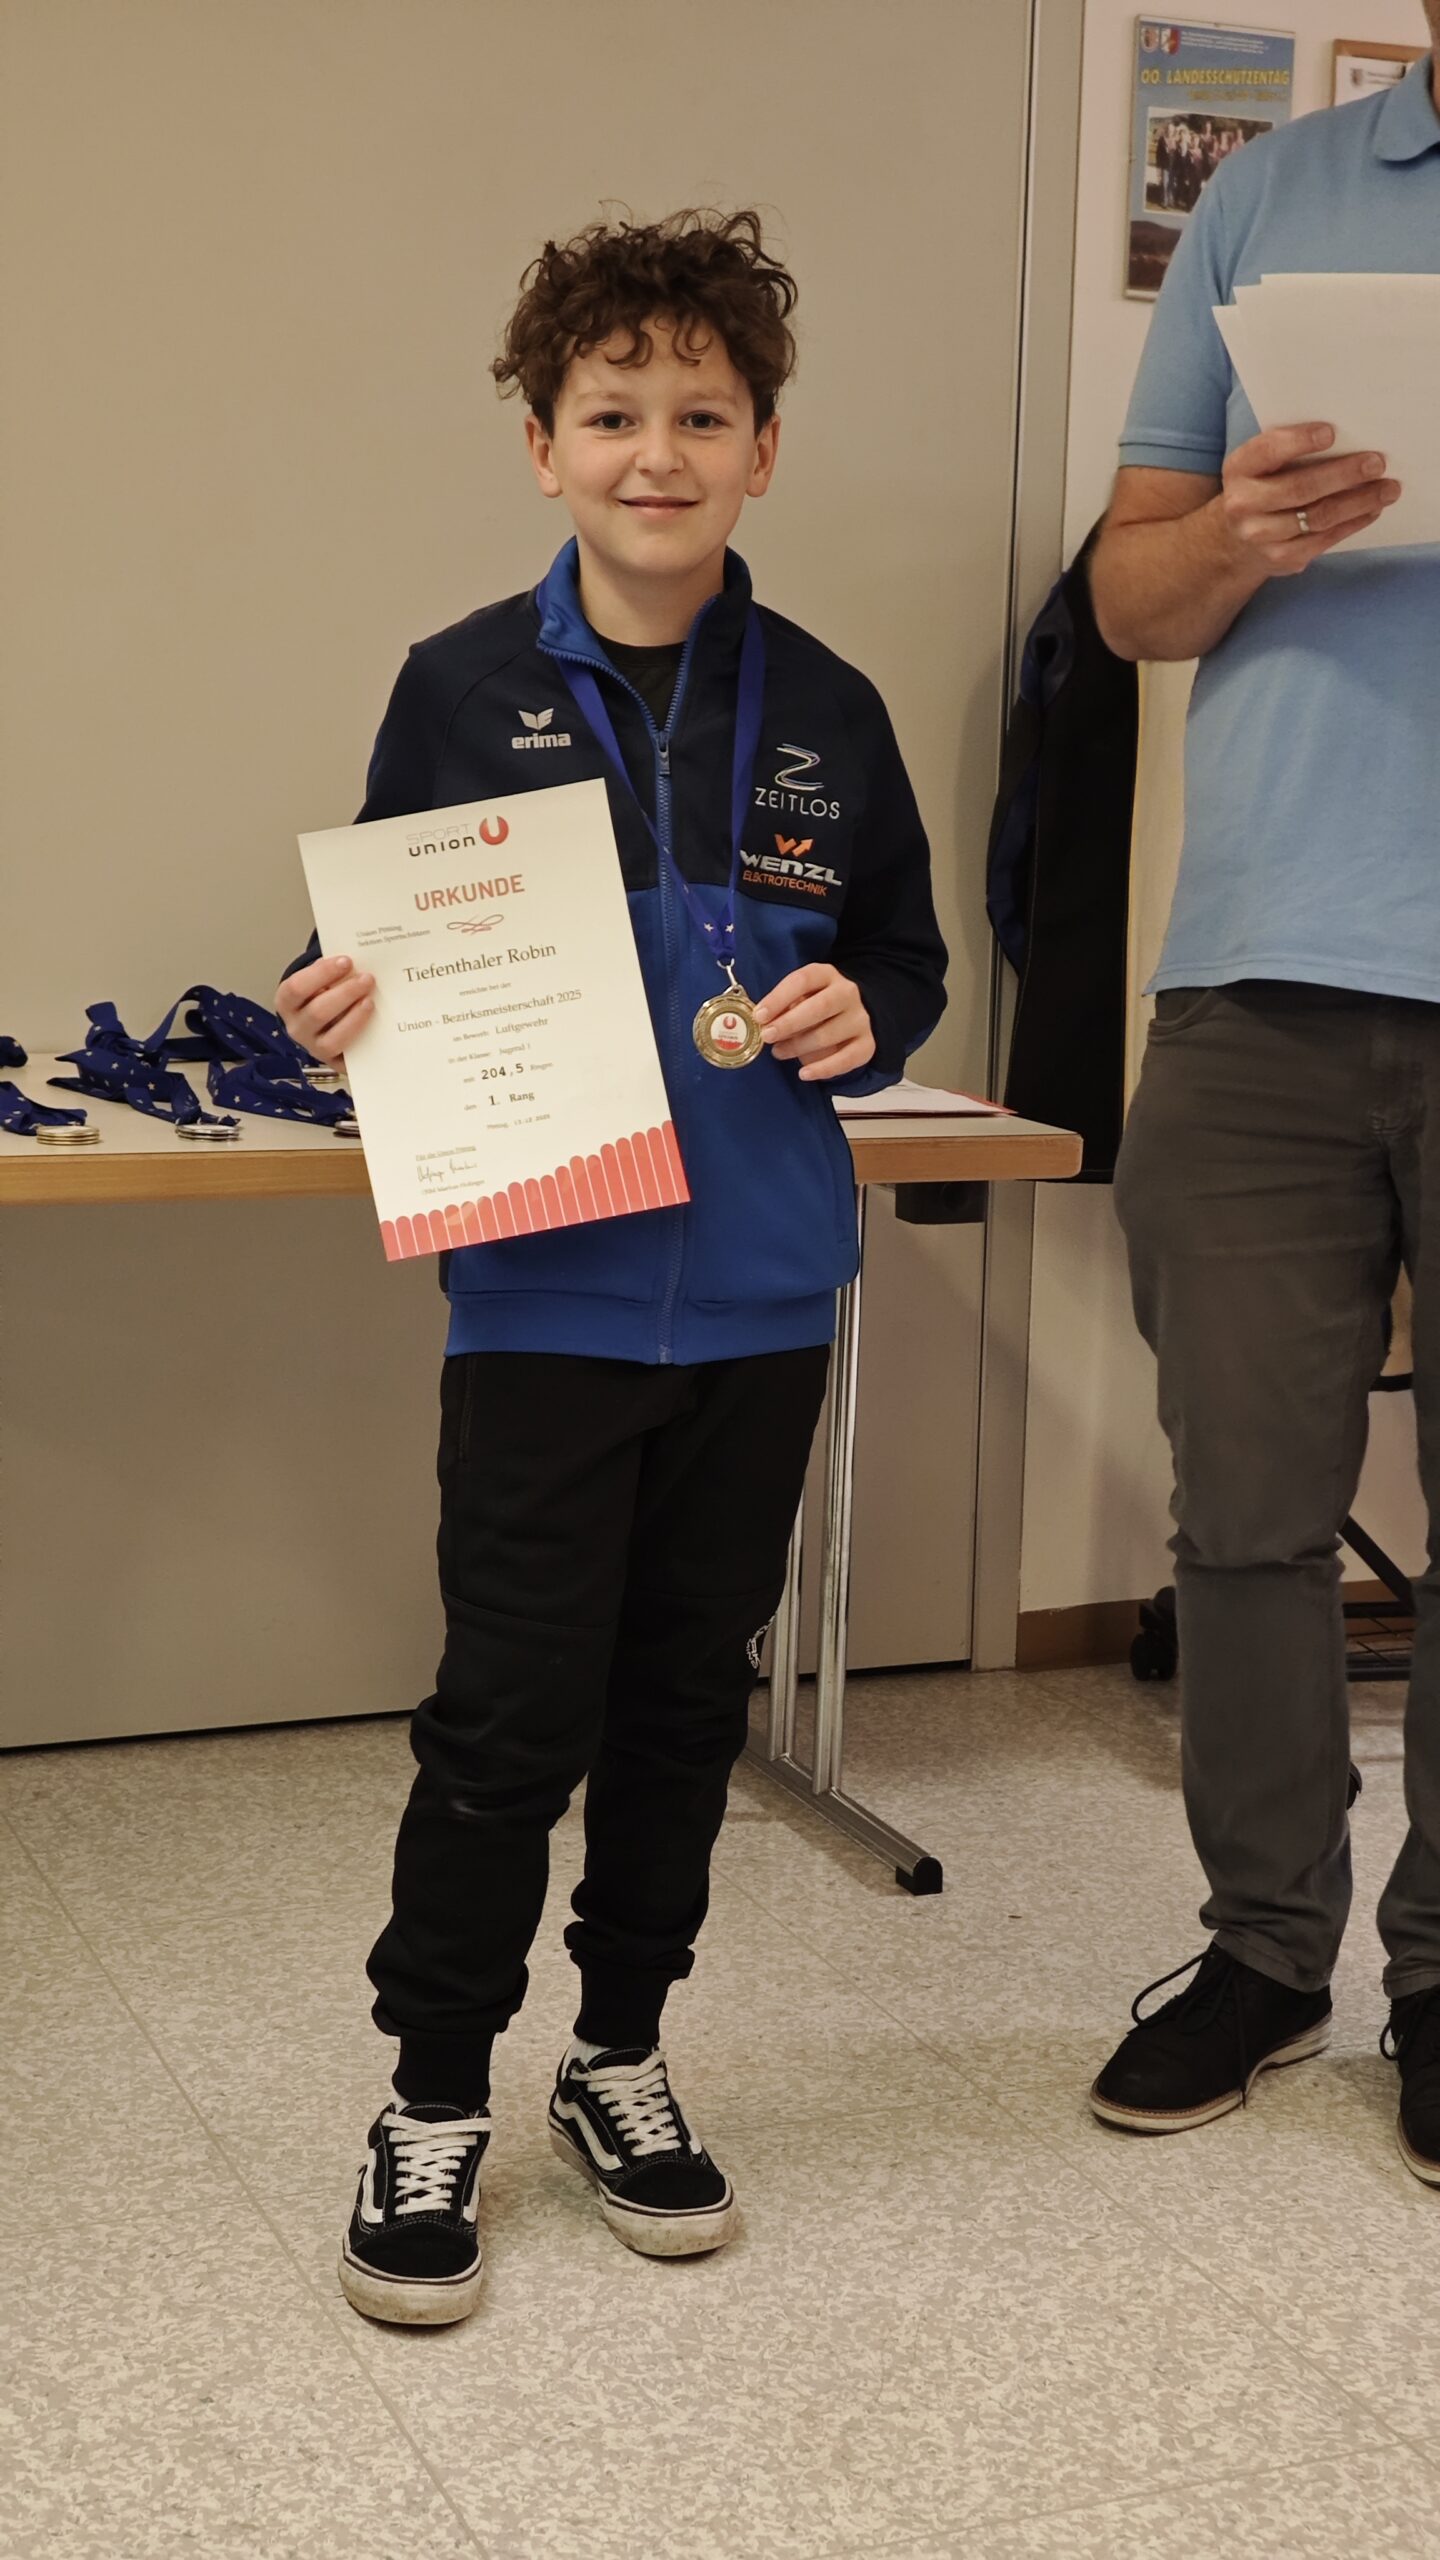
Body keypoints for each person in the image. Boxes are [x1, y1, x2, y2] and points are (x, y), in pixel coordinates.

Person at [276, 208, 946, 2324]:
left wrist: (867, 1011)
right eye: (612, 412)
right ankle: (433, 2093)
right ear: (542, 445)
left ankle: (621, 2053)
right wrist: (336, 1003)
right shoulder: (461, 684)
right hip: (544, 1294)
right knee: (506, 1714)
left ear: (766, 447)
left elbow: (905, 957)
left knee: (681, 1704)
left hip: (761, 1297)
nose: (658, 451)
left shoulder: (826, 704)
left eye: (703, 415)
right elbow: (375, 945)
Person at [1087, 38, 1440, 2182]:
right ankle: (1264, 1951)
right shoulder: (1273, 195)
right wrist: (1239, 531)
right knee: (1241, 1520)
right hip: (1262, 976)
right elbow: (1130, 597)